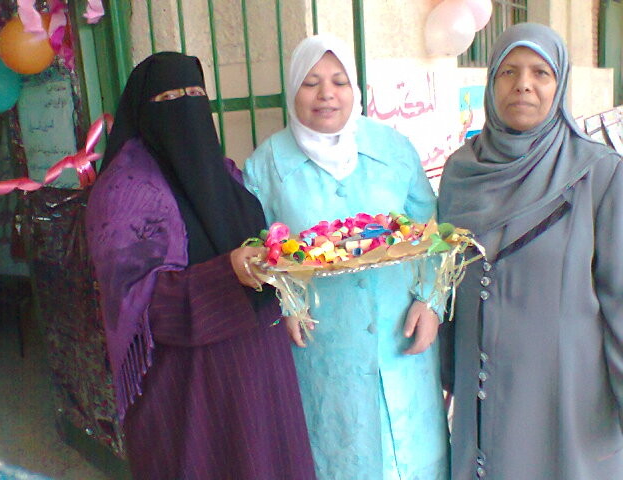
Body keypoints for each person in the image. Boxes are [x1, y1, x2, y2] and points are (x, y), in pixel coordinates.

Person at [85, 52, 316, 480]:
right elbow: (135, 303)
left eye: (195, 94)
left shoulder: (223, 173)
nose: (186, 106)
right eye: (170, 98)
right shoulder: (123, 192)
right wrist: (227, 273)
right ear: (143, 111)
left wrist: (282, 294)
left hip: (259, 365)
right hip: (189, 384)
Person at [244, 34, 449, 480]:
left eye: (339, 81)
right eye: (311, 83)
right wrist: (286, 305)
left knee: (411, 459)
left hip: (400, 332)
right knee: (337, 456)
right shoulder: (265, 167)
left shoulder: (392, 149)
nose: (326, 94)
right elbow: (258, 250)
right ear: (293, 89)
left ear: (354, 87)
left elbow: (431, 230)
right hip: (323, 344)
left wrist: (431, 302)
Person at [438, 23, 623, 480]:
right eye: (509, 71)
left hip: (568, 406)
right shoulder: (460, 173)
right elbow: (442, 286)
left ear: (560, 85)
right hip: (482, 405)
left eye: (541, 72)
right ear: (491, 82)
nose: (523, 84)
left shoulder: (598, 174)